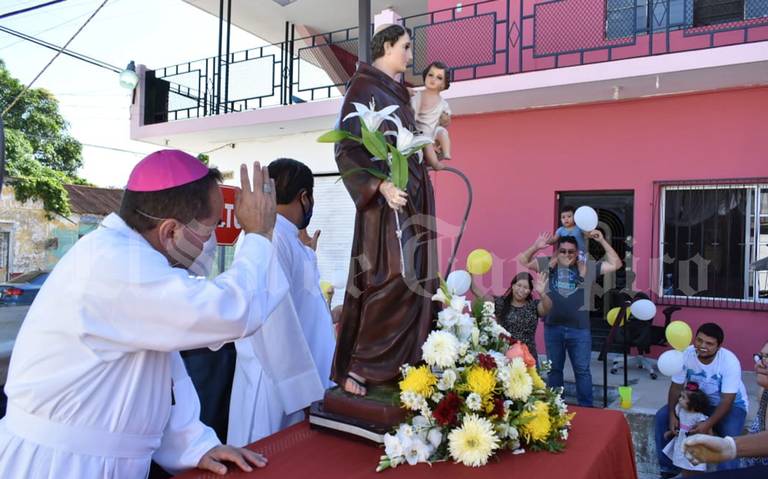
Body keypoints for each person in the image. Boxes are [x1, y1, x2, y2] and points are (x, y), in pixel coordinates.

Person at [0, 150, 287, 477]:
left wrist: (194, 443)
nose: (211, 242)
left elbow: (159, 370)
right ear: (170, 232)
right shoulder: (118, 266)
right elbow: (234, 311)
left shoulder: (125, 256)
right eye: (211, 230)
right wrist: (258, 237)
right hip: (59, 465)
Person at [332, 23, 439, 396]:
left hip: (412, 202)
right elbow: (346, 149)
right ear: (388, 46)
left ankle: (404, 366)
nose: (411, 56)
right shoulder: (363, 89)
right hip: (384, 206)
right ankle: (362, 364)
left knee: (419, 281)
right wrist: (380, 184)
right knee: (391, 275)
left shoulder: (400, 94)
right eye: (406, 47)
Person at [228, 158, 334, 445]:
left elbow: (303, 302)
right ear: (304, 197)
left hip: (301, 383)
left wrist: (309, 255)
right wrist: (303, 393)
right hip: (281, 389)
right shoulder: (269, 238)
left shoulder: (288, 237)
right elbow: (273, 321)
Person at [518, 230, 623, 407]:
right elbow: (523, 261)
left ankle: (587, 410)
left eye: (571, 252)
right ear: (557, 252)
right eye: (563, 251)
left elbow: (616, 263)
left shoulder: (587, 267)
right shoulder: (547, 265)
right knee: (554, 371)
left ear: (577, 253)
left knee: (582, 371)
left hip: (579, 330)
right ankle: (555, 408)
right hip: (553, 328)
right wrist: (536, 246)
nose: (567, 255)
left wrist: (602, 240)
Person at [654, 323, 749, 476]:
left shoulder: (729, 361)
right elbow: (676, 387)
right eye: (699, 340)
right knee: (662, 417)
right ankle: (668, 470)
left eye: (709, 343)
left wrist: (708, 424)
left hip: (732, 405)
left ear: (719, 346)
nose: (702, 346)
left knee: (730, 437)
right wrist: (673, 415)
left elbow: (727, 399)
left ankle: (727, 475)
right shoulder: (686, 354)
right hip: (697, 402)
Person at [493, 272, 552, 366]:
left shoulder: (533, 306)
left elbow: (548, 307)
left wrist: (542, 294)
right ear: (512, 286)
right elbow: (482, 298)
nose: (521, 290)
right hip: (505, 357)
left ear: (529, 291)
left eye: (526, 287)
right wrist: (472, 282)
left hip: (528, 357)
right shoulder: (502, 303)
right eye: (519, 285)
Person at [662, 382, 710, 476]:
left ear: (693, 403)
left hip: (693, 444)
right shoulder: (680, 411)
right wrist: (670, 433)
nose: (679, 399)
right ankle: (684, 475)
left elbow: (707, 430)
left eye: (683, 398)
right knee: (684, 463)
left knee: (694, 464)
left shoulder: (699, 417)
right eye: (681, 396)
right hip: (682, 441)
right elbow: (679, 426)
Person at [411, 60, 452, 167]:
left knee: (442, 131)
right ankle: (434, 163)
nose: (433, 79)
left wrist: (445, 119)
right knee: (426, 140)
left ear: (443, 84)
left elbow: (446, 121)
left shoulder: (443, 103)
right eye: (430, 75)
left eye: (439, 78)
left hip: (432, 131)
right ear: (425, 76)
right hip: (420, 131)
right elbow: (412, 114)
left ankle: (446, 152)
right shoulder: (419, 96)